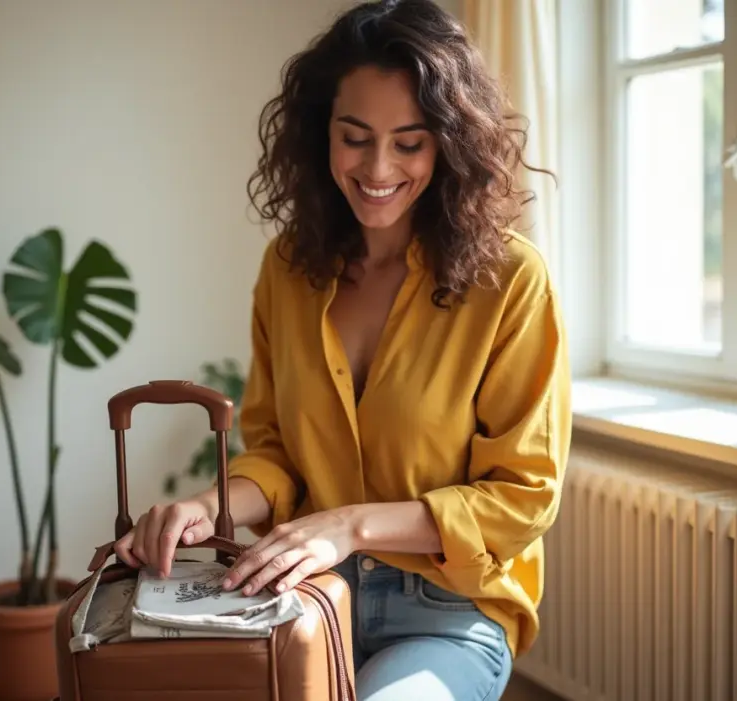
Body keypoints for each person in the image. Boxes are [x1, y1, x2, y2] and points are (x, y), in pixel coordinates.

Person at [114, 0, 571, 698]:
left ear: (449, 142)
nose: (378, 166)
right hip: (302, 599)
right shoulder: (288, 269)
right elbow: (274, 453)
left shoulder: (511, 279)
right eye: (354, 137)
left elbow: (522, 497)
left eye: (409, 142)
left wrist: (350, 525)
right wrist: (210, 504)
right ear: (319, 131)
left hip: (447, 611)